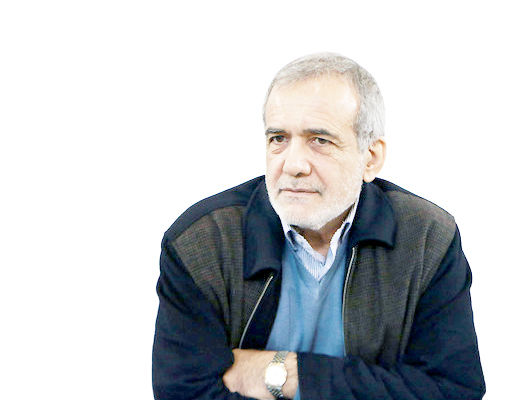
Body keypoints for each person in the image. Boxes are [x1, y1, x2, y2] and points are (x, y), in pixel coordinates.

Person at [152, 52, 486, 400]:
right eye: (278, 138)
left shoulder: (426, 239)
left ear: (370, 158)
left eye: (320, 140)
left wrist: (290, 373)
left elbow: (454, 390)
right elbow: (182, 394)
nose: (293, 164)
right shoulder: (202, 243)